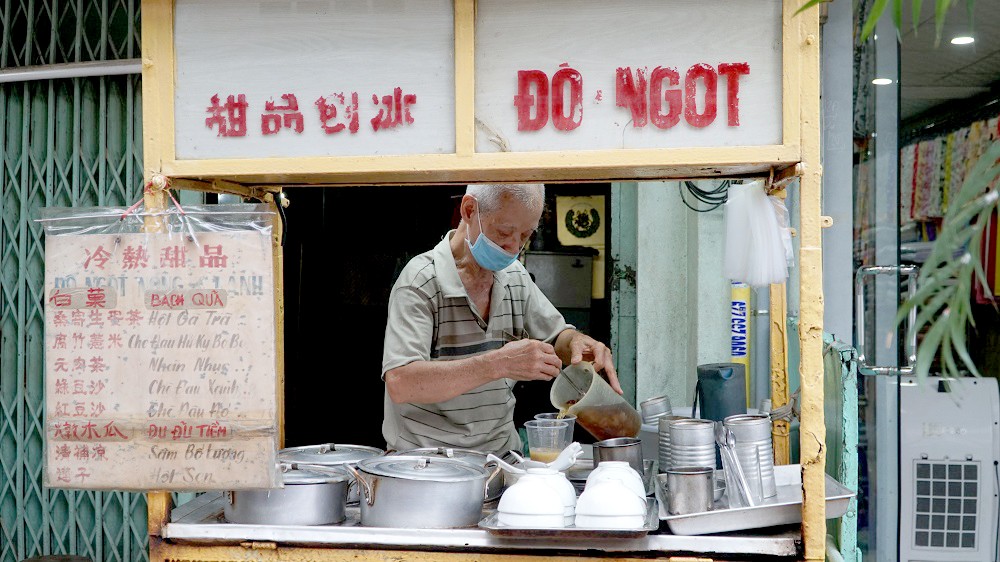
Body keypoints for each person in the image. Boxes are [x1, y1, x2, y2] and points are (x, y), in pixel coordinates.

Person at [381, 183, 620, 454]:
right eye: (504, 232)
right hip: (427, 462)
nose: (514, 247)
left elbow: (557, 337)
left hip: (501, 459)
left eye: (526, 235)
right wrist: (500, 363)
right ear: (469, 211)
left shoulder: (514, 276)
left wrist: (577, 342)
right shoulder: (419, 282)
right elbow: (401, 382)